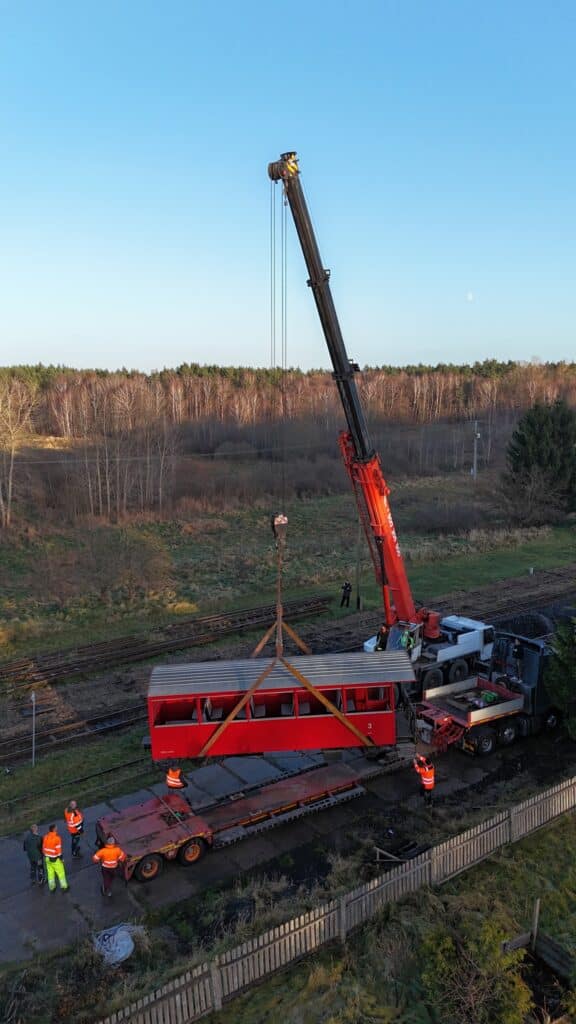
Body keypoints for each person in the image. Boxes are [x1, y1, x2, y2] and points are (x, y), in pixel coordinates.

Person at [42, 824, 69, 893]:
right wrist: (61, 858)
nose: (57, 828)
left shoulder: (45, 836)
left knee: (50, 874)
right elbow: (58, 850)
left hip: (47, 858)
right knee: (61, 873)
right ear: (54, 829)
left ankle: (52, 887)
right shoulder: (57, 838)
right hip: (55, 859)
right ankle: (64, 887)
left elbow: (43, 847)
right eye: (56, 828)